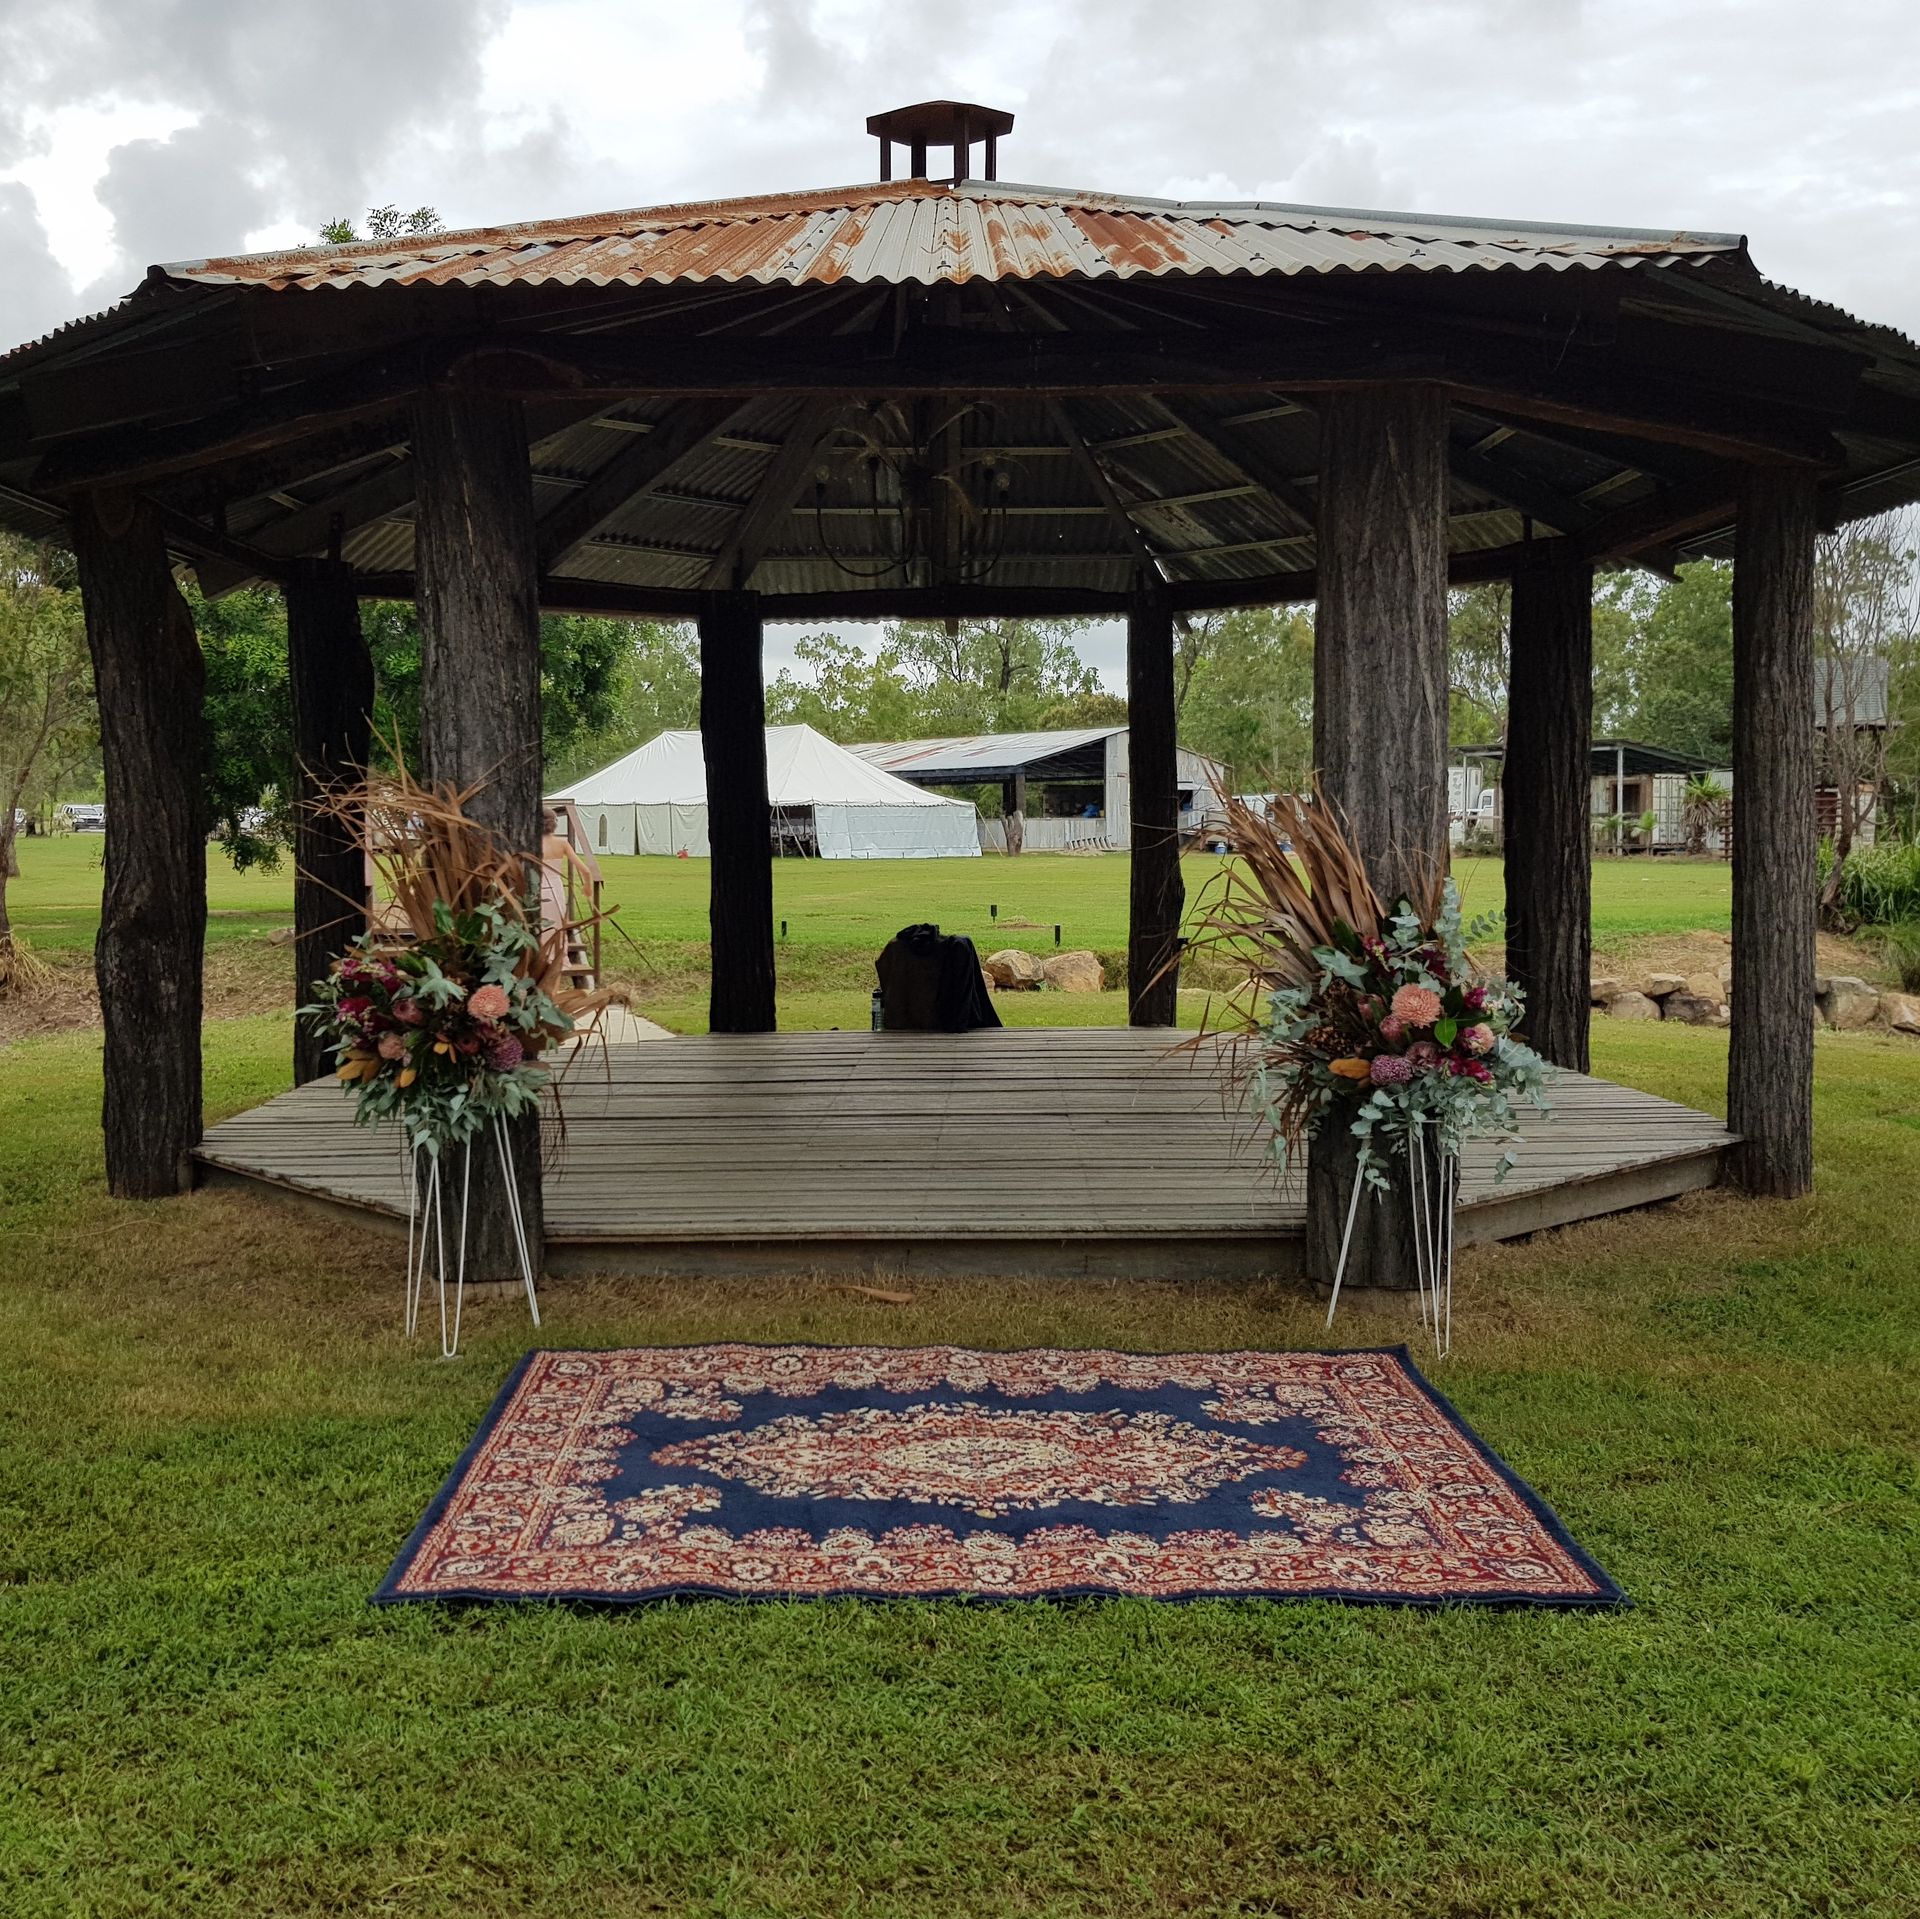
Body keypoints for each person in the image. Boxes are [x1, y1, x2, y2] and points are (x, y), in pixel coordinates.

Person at [537, 808, 595, 972]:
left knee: (539, 925)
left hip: (538, 889)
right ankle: (558, 959)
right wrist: (587, 888)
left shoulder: (531, 843)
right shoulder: (562, 843)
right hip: (555, 889)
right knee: (557, 925)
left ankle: (539, 959)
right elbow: (586, 871)